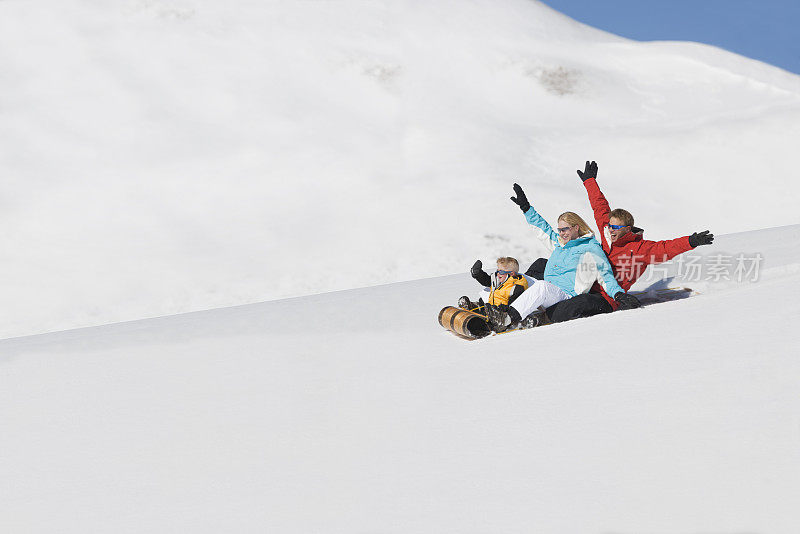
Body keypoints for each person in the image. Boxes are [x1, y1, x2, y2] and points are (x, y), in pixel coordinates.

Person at [486, 183, 640, 332]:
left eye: (565, 229)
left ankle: (506, 319)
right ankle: (490, 304)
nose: (561, 233)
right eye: (559, 230)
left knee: (541, 287)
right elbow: (543, 229)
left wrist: (618, 294)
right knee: (519, 278)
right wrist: (526, 208)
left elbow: (605, 275)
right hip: (549, 290)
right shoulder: (561, 243)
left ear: (576, 228)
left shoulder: (590, 248)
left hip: (564, 295)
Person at [571, 160, 714, 313]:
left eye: (616, 228)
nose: (611, 230)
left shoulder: (639, 249)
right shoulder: (608, 230)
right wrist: (590, 181)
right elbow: (599, 206)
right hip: (585, 283)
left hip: (607, 298)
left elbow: (665, 249)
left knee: (579, 303)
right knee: (543, 265)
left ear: (627, 229)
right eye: (610, 226)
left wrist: (691, 241)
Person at [458, 257, 528, 312]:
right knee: (481, 302)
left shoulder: (517, 286)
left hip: (502, 313)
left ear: (511, 273)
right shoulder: (499, 279)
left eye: (501, 271)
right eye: (497, 270)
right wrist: (478, 274)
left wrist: (502, 309)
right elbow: (487, 280)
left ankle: (481, 314)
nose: (498, 273)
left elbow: (514, 304)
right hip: (491, 308)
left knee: (490, 311)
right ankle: (473, 307)